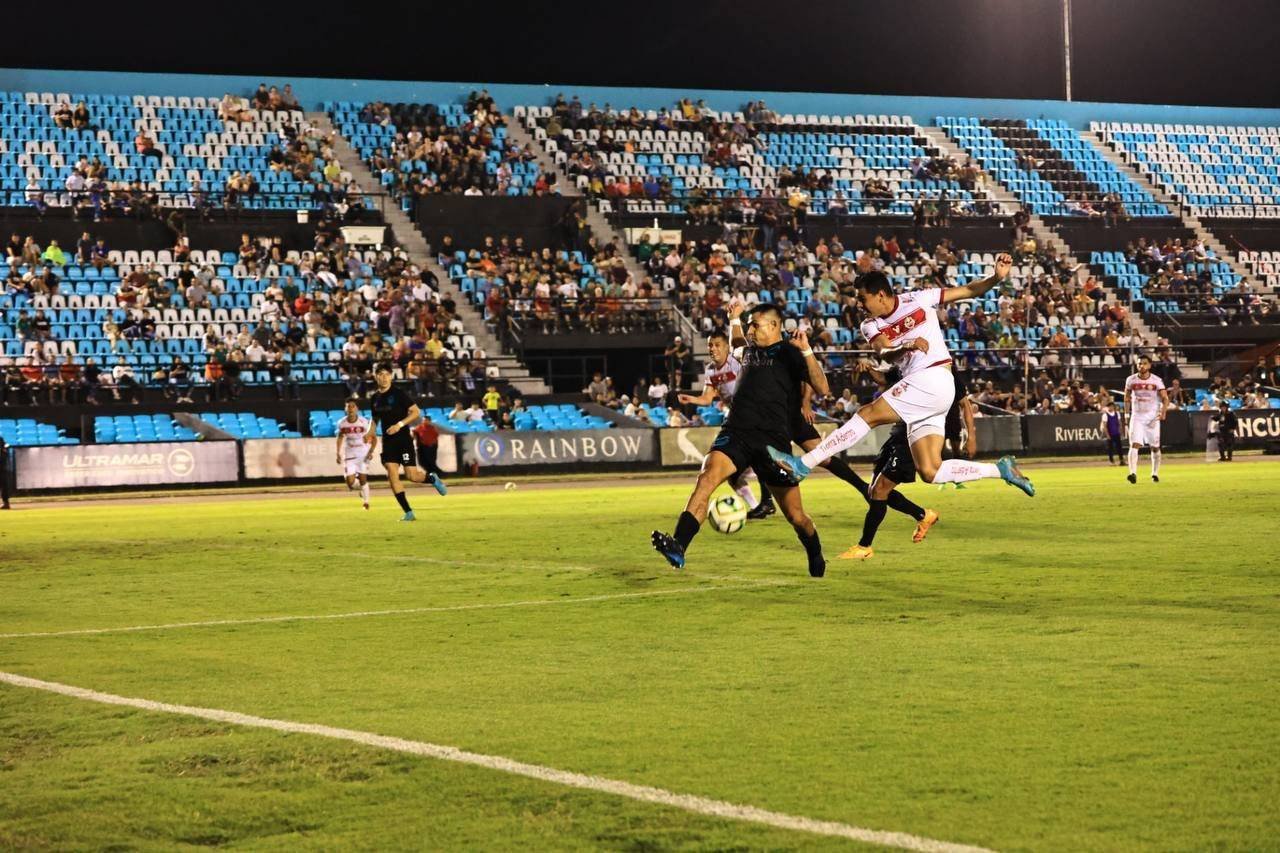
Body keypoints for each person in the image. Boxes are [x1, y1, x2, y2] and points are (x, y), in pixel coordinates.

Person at [768, 257, 1035, 500]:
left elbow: (967, 291)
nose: (859, 305)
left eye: (863, 299)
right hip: (929, 391)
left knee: (868, 413)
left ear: (881, 294)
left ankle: (802, 464)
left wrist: (996, 278)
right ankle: (1001, 470)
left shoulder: (919, 299)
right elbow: (884, 351)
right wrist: (905, 346)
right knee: (930, 471)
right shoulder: (870, 324)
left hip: (933, 378)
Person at [652, 304, 830, 577]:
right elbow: (736, 338)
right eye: (749, 326)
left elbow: (823, 388)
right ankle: (679, 545)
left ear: (773, 326)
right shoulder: (746, 350)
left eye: (755, 325)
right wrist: (734, 317)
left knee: (796, 517)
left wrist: (806, 350)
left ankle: (815, 551)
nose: (750, 330)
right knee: (706, 478)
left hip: (773, 442)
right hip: (736, 431)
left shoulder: (789, 353)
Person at [367, 363, 444, 521]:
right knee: (392, 474)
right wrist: (370, 431)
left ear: (391, 376)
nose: (384, 377)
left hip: (403, 440)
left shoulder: (399, 394)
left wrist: (399, 425)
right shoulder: (374, 398)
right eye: (380, 374)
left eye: (386, 374)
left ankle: (432, 478)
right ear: (376, 377)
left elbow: (416, 412)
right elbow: (375, 418)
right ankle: (408, 512)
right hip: (388, 442)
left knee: (412, 476)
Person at [1123, 355, 1170, 484]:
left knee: (1155, 447)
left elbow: (1165, 398)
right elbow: (1126, 398)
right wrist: (1126, 415)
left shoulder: (1156, 380)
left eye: (1144, 363)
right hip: (1137, 416)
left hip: (1152, 417)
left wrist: (1163, 411)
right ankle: (1132, 473)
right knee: (1134, 444)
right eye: (1139, 364)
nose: (1141, 366)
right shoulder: (1130, 380)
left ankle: (1155, 473)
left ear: (1149, 365)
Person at [335, 398, 377, 510]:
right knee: (350, 483)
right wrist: (338, 453)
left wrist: (371, 451)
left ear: (357, 408)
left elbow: (374, 438)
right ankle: (360, 490)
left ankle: (366, 502)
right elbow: (340, 437)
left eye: (353, 406)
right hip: (349, 453)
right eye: (348, 406)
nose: (350, 409)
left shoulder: (364, 422)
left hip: (363, 453)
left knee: (363, 479)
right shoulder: (341, 423)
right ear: (345, 409)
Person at [412, 413, 448, 488]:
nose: (424, 421)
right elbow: (414, 434)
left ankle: (434, 477)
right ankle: (435, 475)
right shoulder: (419, 427)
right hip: (421, 447)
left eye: (426, 420)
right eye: (424, 420)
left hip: (431, 447)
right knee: (421, 462)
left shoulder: (432, 428)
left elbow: (435, 437)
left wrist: (432, 445)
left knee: (431, 462)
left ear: (429, 421)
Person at [0, 433, 10, 510]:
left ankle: (6, 503)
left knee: (4, 486)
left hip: (1, 467)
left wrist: (4, 449)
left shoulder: (0, 440)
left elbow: (6, 446)